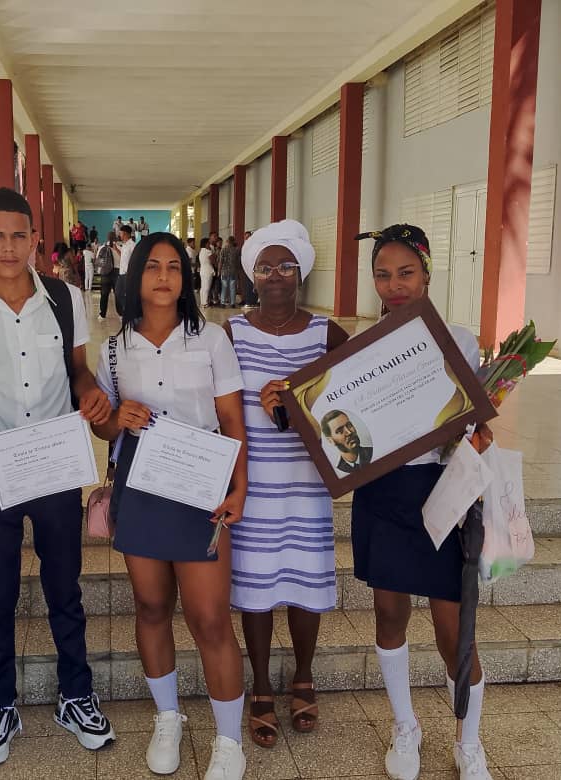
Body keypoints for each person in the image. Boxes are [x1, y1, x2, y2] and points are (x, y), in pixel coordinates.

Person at [0, 188, 116, 767]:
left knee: (64, 587)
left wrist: (91, 395)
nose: (9, 248)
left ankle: (76, 695)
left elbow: (78, 371)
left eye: (20, 236)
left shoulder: (65, 300)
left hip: (56, 461)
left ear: (35, 239)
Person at [90, 232, 249, 780]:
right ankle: (169, 716)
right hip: (141, 483)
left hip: (201, 482)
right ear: (135, 277)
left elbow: (232, 420)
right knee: (152, 607)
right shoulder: (113, 348)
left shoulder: (211, 340)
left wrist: (239, 485)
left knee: (209, 618)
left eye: (174, 267)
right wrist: (118, 419)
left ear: (186, 277)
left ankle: (229, 741)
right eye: (152, 266)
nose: (163, 276)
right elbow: (105, 424)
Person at [352, 223, 494, 780]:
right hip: (383, 493)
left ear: (427, 273)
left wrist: (477, 438)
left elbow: (476, 424)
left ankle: (469, 740)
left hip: (441, 492)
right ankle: (405, 726)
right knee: (389, 614)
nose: (394, 285)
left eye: (406, 272)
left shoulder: (460, 340)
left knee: (453, 629)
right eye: (383, 275)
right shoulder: (361, 347)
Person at [224, 220, 348, 750]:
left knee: (303, 582)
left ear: (301, 273)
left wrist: (302, 403)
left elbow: (353, 405)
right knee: (255, 588)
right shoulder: (232, 332)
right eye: (265, 267)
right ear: (252, 275)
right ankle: (260, 684)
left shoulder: (328, 334)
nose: (275, 276)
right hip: (253, 483)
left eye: (285, 266)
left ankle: (303, 675)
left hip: (306, 483)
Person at [96, 233, 120, 321]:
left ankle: (102, 314)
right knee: (117, 294)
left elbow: (98, 260)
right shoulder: (119, 247)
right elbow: (122, 259)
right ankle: (120, 314)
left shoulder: (102, 248)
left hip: (106, 273)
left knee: (104, 294)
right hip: (116, 272)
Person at [115, 224, 136, 316]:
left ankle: (129, 312)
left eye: (121, 233)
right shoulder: (124, 245)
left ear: (126, 234)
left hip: (128, 274)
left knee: (127, 294)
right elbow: (123, 256)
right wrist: (116, 249)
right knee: (118, 293)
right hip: (121, 273)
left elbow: (135, 259)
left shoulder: (132, 245)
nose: (120, 235)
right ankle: (127, 310)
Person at [218, 236, 240, 307]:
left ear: (227, 241)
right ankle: (232, 303)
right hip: (233, 271)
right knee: (232, 287)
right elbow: (237, 262)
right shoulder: (236, 250)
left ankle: (222, 303)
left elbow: (221, 262)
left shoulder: (223, 250)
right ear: (233, 241)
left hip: (224, 271)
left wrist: (219, 271)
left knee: (224, 287)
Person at [241, 231, 258, 309]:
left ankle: (253, 301)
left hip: (253, 267)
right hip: (246, 267)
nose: (247, 238)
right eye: (246, 237)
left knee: (253, 284)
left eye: (248, 237)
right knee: (248, 285)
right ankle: (249, 301)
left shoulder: (254, 245)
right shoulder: (245, 246)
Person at [198, 237, 214, 308]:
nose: (209, 244)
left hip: (202, 270)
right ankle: (205, 303)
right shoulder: (208, 251)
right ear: (206, 244)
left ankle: (202, 302)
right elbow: (212, 260)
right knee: (207, 287)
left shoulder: (201, 251)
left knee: (203, 287)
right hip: (208, 270)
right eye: (208, 243)